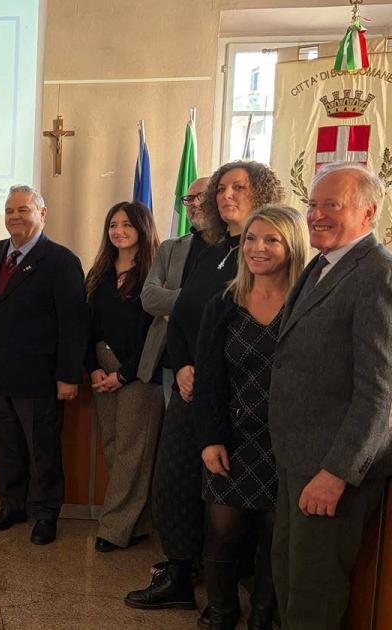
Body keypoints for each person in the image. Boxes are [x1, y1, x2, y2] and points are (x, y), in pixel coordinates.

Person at [127, 161, 284, 610]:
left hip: (237, 397)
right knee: (174, 481)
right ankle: (179, 573)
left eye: (240, 187)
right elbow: (181, 317)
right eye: (221, 188)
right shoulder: (212, 248)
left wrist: (208, 370)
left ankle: (228, 592)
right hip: (190, 388)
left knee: (225, 497)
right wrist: (181, 366)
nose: (226, 195)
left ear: (263, 193)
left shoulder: (267, 255)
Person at [268, 163, 392, 629]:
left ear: (369, 213)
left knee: (313, 596)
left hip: (329, 467)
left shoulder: (378, 275)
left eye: (332, 205)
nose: (316, 215)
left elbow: (379, 392)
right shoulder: (323, 264)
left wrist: (337, 473)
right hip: (298, 458)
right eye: (313, 204)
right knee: (289, 578)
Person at [194, 204, 308, 629]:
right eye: (251, 239)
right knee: (221, 533)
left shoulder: (308, 305)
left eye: (271, 239)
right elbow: (208, 380)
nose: (258, 248)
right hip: (232, 439)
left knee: (275, 538)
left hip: (286, 443)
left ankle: (263, 616)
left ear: (293, 245)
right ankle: (222, 613)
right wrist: (210, 440)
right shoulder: (224, 304)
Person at [0, 184, 87, 545]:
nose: (15, 217)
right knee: (3, 447)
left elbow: (73, 324)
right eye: (10, 211)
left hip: (38, 376)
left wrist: (68, 375)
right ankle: (11, 506)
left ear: (42, 214)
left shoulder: (61, 261)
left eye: (23, 209)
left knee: (42, 450)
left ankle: (45, 513)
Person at [84, 201, 163, 553]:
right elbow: (85, 324)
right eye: (113, 225)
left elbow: (155, 333)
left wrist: (125, 373)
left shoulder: (155, 273)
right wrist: (93, 367)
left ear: (142, 229)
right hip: (102, 367)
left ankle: (113, 528)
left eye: (127, 225)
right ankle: (138, 522)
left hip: (139, 372)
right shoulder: (99, 271)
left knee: (133, 448)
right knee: (114, 446)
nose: (119, 231)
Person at [138, 177, 211, 399]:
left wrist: (173, 306)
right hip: (171, 359)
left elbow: (218, 300)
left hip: (210, 357)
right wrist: (194, 301)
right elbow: (149, 297)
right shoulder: (170, 248)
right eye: (189, 198)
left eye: (202, 196)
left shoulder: (232, 248)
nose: (195, 203)